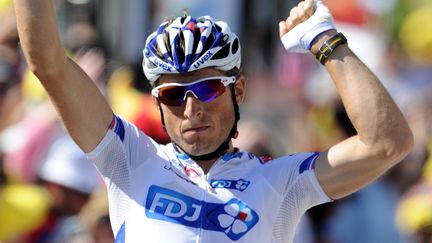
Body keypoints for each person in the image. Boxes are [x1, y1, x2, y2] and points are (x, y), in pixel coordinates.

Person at [12, 0, 413, 242]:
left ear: (238, 91)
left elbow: (386, 143)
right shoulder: (129, 159)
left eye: (207, 89)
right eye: (171, 95)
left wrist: (325, 42)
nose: (191, 108)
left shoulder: (280, 181)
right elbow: (49, 65)